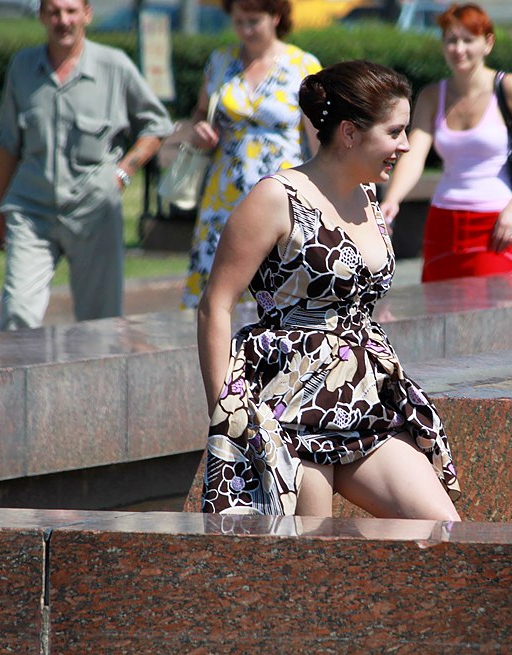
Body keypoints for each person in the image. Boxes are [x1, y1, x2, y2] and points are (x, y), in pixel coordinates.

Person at [196, 60, 461, 520]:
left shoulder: (368, 195)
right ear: (350, 133)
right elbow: (215, 306)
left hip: (366, 402)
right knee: (313, 552)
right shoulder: (276, 197)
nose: (405, 144)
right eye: (394, 132)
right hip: (287, 410)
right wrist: (227, 416)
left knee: (443, 530)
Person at [0, 0, 173, 331]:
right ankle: (19, 369)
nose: (63, 20)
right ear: (41, 16)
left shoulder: (114, 66)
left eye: (71, 11)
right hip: (32, 210)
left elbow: (156, 125)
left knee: (100, 323)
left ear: (87, 14)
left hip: (94, 210)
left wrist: (122, 173)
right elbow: (9, 144)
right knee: (17, 313)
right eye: (54, 12)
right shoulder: (22, 67)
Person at [379, 3, 512, 288]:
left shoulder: (510, 87)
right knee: (437, 308)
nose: (459, 49)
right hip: (443, 222)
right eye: (451, 40)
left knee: (499, 308)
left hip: (497, 223)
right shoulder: (432, 95)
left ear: (488, 43)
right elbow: (414, 155)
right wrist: (392, 200)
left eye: (468, 40)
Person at [175, 0, 321, 310]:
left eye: (254, 21)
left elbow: (319, 138)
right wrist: (200, 128)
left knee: (279, 283)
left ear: (276, 16)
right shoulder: (220, 61)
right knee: (217, 289)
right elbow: (201, 111)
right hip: (224, 194)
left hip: (281, 193)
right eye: (239, 21)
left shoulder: (303, 65)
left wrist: (324, 191)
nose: (245, 30)